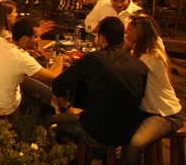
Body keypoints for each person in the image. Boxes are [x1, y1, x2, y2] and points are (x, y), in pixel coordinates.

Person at [51, 16, 148, 147]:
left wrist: (67, 107)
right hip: (128, 132)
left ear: (101, 38)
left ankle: (86, 157)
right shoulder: (139, 64)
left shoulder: (95, 59)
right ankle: (98, 156)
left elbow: (58, 83)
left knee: (51, 123)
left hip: (98, 132)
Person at [124, 13, 183, 165]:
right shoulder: (145, 48)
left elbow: (124, 70)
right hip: (147, 111)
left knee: (135, 145)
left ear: (141, 33)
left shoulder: (151, 57)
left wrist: (125, 47)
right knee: (117, 129)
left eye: (130, 30)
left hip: (165, 114)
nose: (126, 33)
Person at [0, 17, 67, 117]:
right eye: (36, 36)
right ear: (24, 39)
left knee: (43, 91)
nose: (39, 39)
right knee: (50, 110)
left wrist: (26, 52)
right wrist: (60, 58)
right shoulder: (21, 58)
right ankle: (36, 127)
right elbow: (53, 75)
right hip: (6, 110)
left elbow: (10, 53)